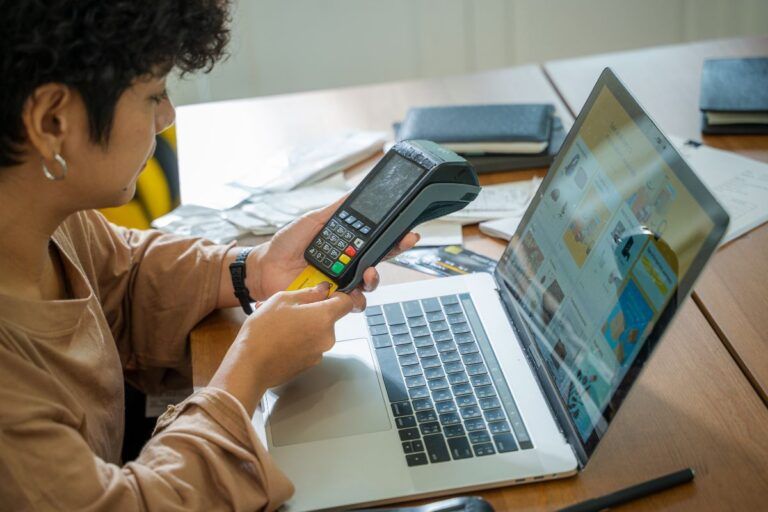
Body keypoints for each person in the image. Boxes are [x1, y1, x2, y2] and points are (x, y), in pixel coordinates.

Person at [0, 1, 418, 510]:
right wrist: (247, 371)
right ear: (51, 121)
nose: (166, 116)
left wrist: (252, 269)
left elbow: (123, 273)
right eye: (154, 94)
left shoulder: (43, 216)